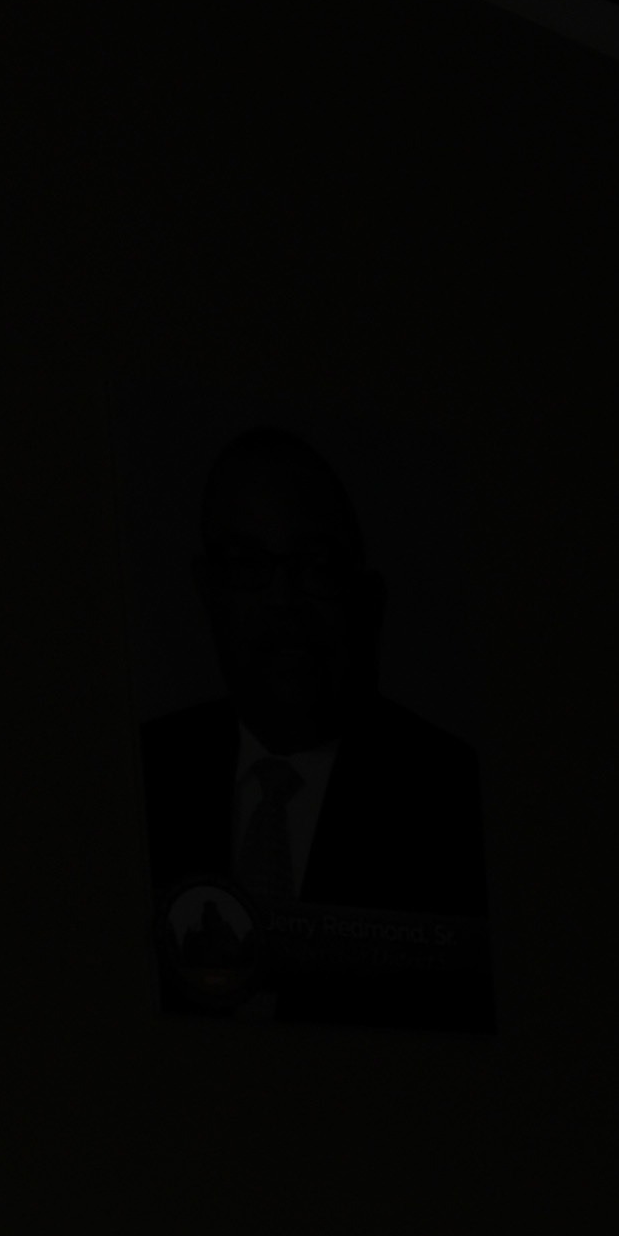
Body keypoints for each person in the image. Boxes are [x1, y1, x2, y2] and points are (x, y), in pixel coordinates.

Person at [144, 429, 496, 1031]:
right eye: (250, 565)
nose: (284, 598)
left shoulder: (460, 802)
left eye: (318, 564)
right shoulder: (146, 770)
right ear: (206, 592)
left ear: (369, 599)